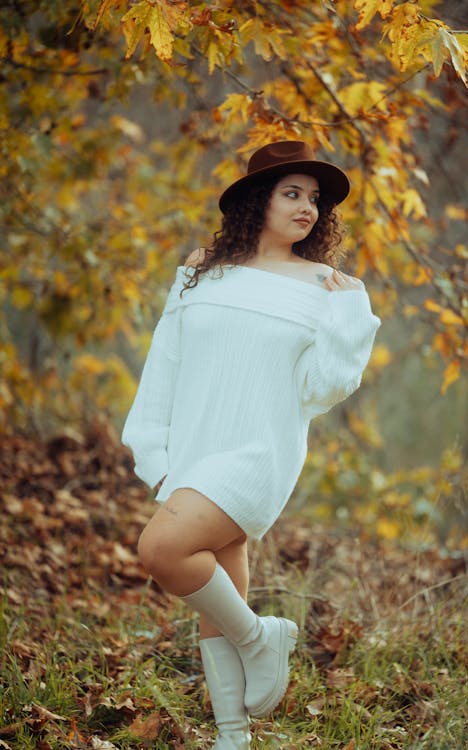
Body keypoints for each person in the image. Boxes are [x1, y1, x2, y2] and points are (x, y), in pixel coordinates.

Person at [122, 140, 381, 749]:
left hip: (260, 449)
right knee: (219, 592)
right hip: (195, 443)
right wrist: (153, 452)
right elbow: (167, 361)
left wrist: (348, 321)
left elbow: (324, 389)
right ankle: (232, 735)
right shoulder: (200, 270)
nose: (307, 208)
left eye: (314, 199)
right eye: (292, 193)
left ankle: (261, 636)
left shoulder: (331, 286)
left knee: (162, 549)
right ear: (256, 201)